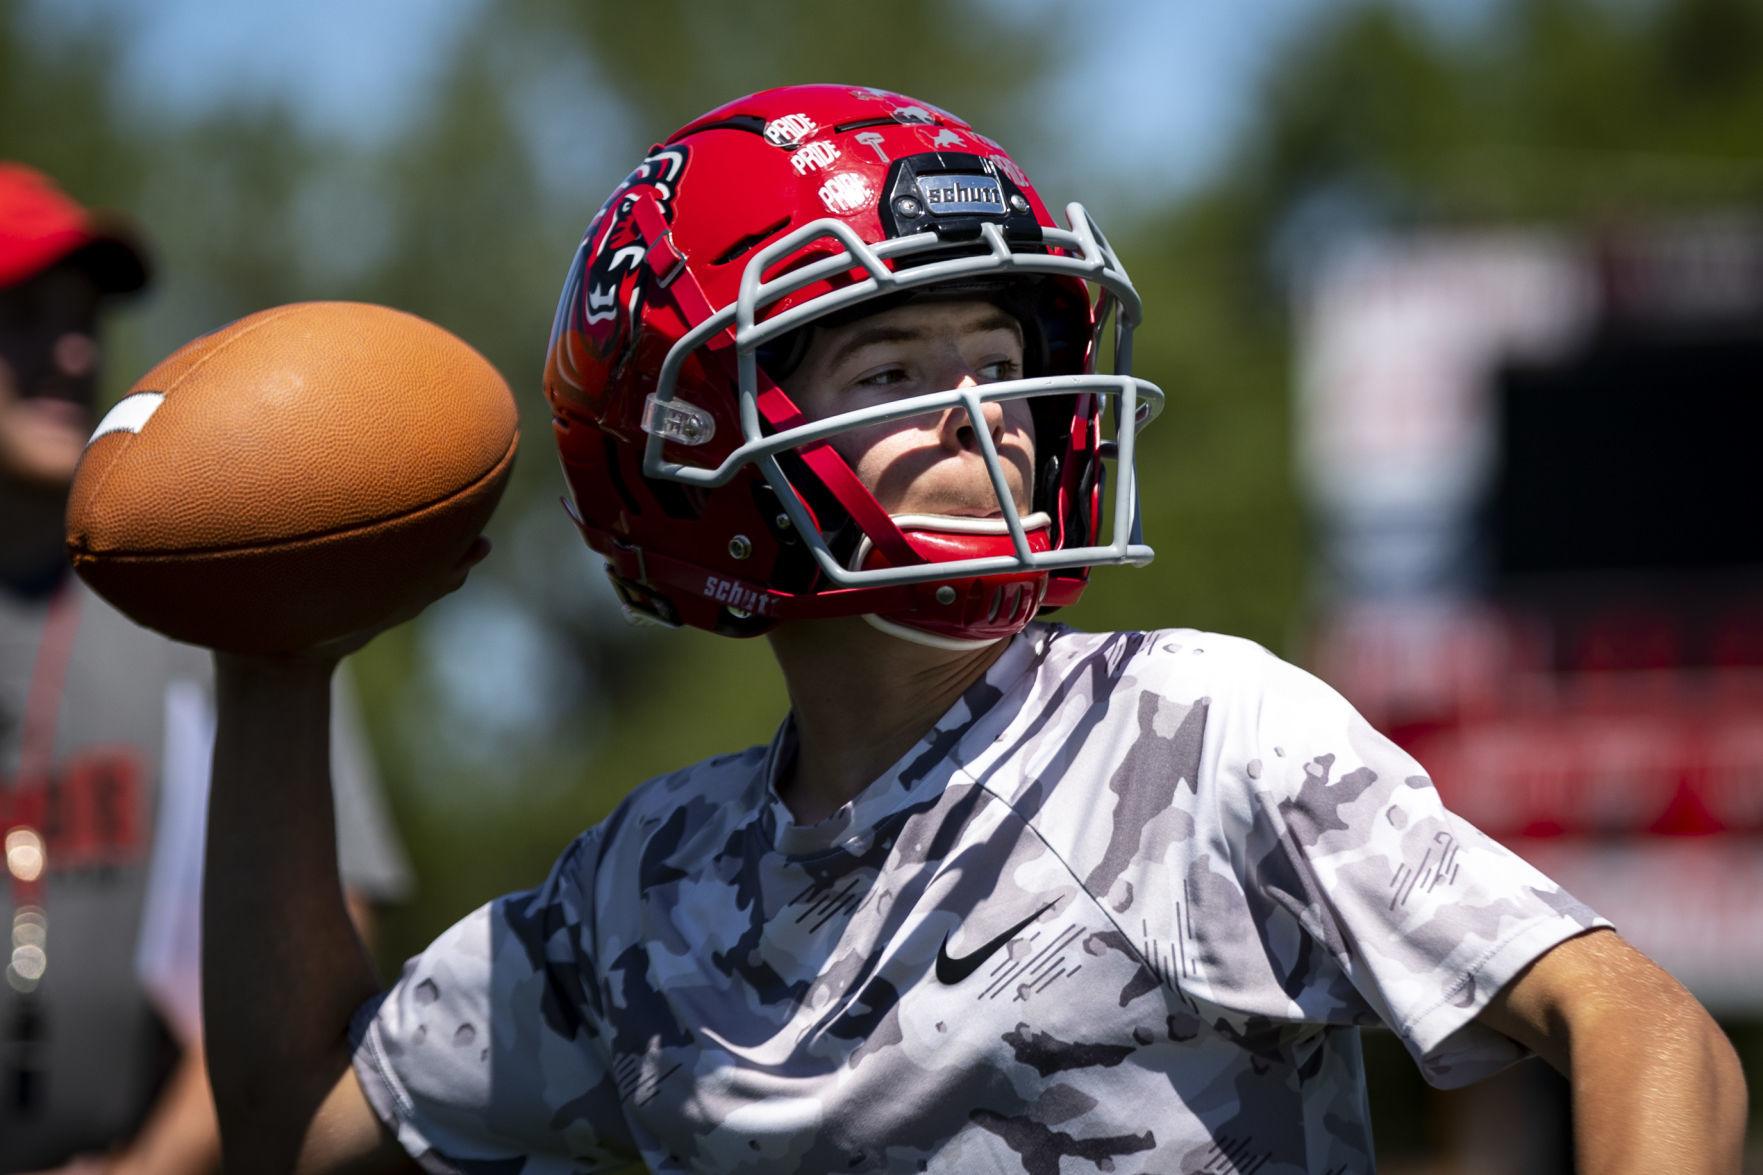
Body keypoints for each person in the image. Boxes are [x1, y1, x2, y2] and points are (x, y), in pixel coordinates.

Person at [202, 86, 1748, 1173]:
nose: (986, 420)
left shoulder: (1193, 734)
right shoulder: (640, 890)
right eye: (890, 373)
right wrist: (274, 674)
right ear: (689, 440)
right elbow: (298, 1118)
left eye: (997, 362)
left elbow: (1638, 1027)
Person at [0, 163, 414, 1173]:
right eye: (24, 314)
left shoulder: (210, 595)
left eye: (85, 316)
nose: (74, 348)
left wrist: (149, 1169)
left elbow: (324, 918)